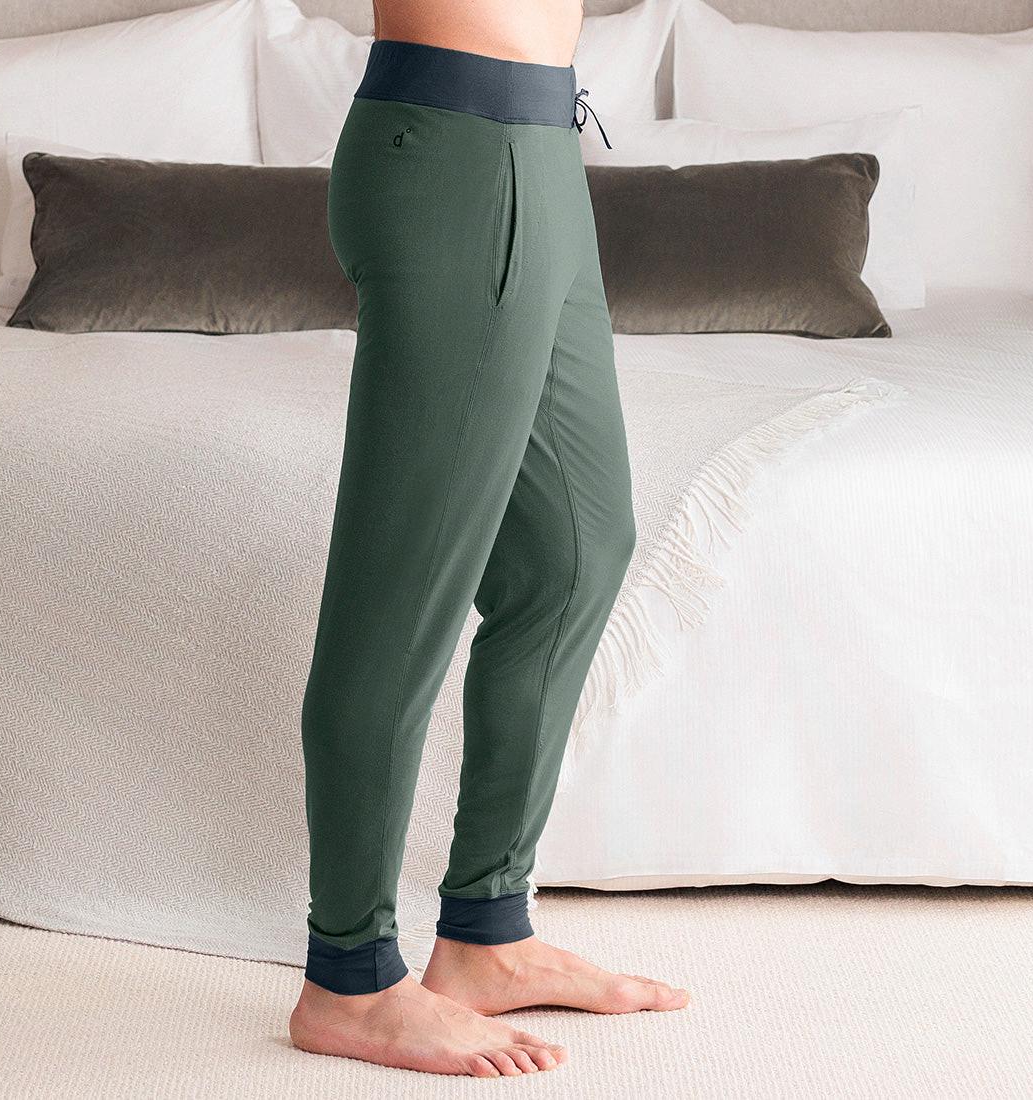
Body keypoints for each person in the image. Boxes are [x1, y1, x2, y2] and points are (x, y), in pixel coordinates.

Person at [290, 0, 689, 1077]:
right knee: (401, 589)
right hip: (457, 150)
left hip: (545, 147)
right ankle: (348, 977)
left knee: (575, 552)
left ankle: (485, 932)